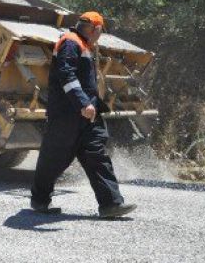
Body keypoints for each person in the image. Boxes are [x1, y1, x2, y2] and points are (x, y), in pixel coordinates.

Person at [30, 11, 136, 218]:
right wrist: (83, 103)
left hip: (87, 116)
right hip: (66, 116)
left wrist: (90, 105)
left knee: (97, 156)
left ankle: (111, 204)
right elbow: (66, 74)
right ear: (96, 29)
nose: (100, 35)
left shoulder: (83, 44)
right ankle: (40, 200)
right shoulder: (70, 42)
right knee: (53, 159)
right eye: (100, 31)